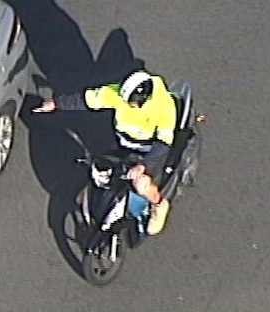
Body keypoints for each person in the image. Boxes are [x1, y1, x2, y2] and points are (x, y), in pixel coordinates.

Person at [33, 70, 176, 235]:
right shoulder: (116, 93)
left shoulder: (164, 107)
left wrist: (143, 166)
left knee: (140, 184)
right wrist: (56, 104)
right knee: (100, 170)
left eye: (131, 103)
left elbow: (163, 143)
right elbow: (86, 100)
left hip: (149, 152)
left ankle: (159, 204)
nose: (127, 105)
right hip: (124, 144)